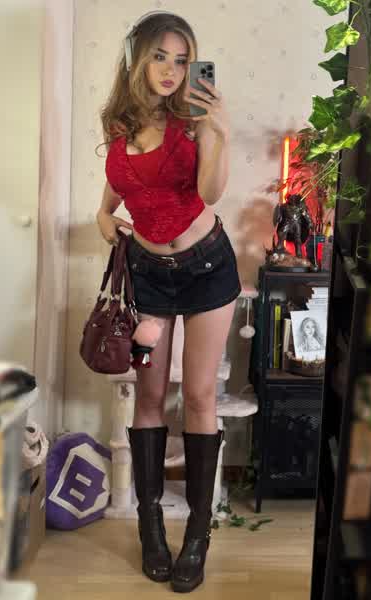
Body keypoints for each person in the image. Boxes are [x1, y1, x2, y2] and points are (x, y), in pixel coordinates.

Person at [95, 10, 241, 594]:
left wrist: (219, 131)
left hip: (207, 270)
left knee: (200, 395)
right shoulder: (119, 121)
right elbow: (119, 181)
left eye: (182, 60)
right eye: (160, 56)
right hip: (146, 277)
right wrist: (103, 214)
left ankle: (198, 535)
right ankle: (150, 525)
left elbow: (210, 192)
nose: (171, 70)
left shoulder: (193, 121)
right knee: (150, 396)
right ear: (138, 58)